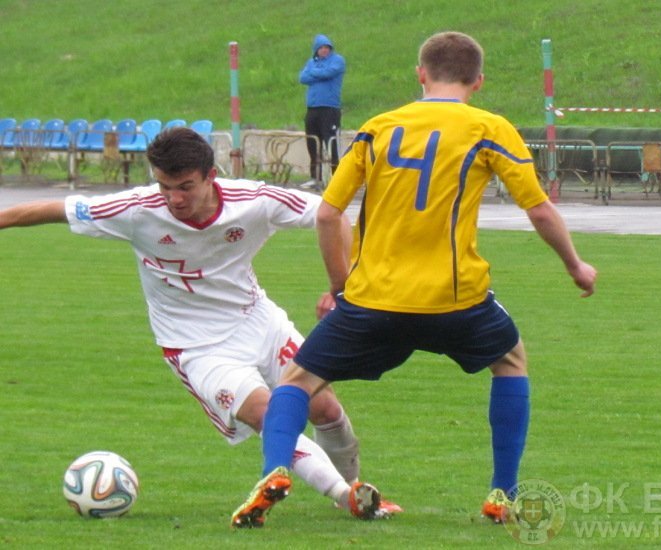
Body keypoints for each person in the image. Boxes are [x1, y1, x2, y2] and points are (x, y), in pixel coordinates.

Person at [231, 31, 597, 528]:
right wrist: (575, 265)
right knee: (510, 361)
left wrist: (340, 288)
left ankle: (275, 469)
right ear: (478, 81)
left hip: (373, 299)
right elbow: (538, 209)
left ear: (420, 74)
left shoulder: (377, 129)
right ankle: (502, 493)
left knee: (298, 380)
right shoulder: (489, 128)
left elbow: (329, 214)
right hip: (455, 299)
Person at [0, 127, 400, 527]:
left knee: (324, 407)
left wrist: (342, 285)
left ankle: (354, 489)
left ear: (211, 175)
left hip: (258, 322)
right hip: (195, 347)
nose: (174, 198)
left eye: (185, 187)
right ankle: (345, 495)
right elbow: (50, 210)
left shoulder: (253, 201)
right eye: (164, 186)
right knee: (266, 413)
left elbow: (332, 214)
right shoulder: (136, 210)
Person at [299, 34, 345, 188]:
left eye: (327, 47)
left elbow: (328, 73)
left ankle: (336, 177)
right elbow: (303, 78)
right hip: (313, 108)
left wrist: (314, 72)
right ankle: (315, 177)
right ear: (316, 49)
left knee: (331, 142)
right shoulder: (312, 62)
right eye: (321, 48)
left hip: (330, 108)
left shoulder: (337, 60)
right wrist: (318, 72)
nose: (324, 50)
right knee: (313, 141)